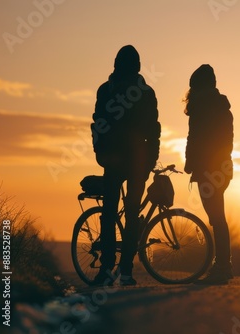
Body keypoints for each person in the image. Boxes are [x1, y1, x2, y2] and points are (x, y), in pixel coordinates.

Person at [91, 45, 160, 286]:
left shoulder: (106, 90)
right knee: (132, 215)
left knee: (109, 215)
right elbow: (154, 130)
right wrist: (151, 159)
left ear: (116, 64)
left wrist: (99, 152)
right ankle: (127, 271)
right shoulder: (146, 92)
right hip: (137, 162)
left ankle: (106, 268)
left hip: (113, 160)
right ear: (138, 65)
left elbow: (98, 123)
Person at [184, 64, 234, 285]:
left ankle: (222, 265)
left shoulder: (199, 109)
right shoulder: (223, 109)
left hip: (208, 169)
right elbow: (226, 142)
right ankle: (223, 264)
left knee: (217, 217)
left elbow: (193, 139)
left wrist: (191, 163)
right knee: (218, 217)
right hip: (222, 168)